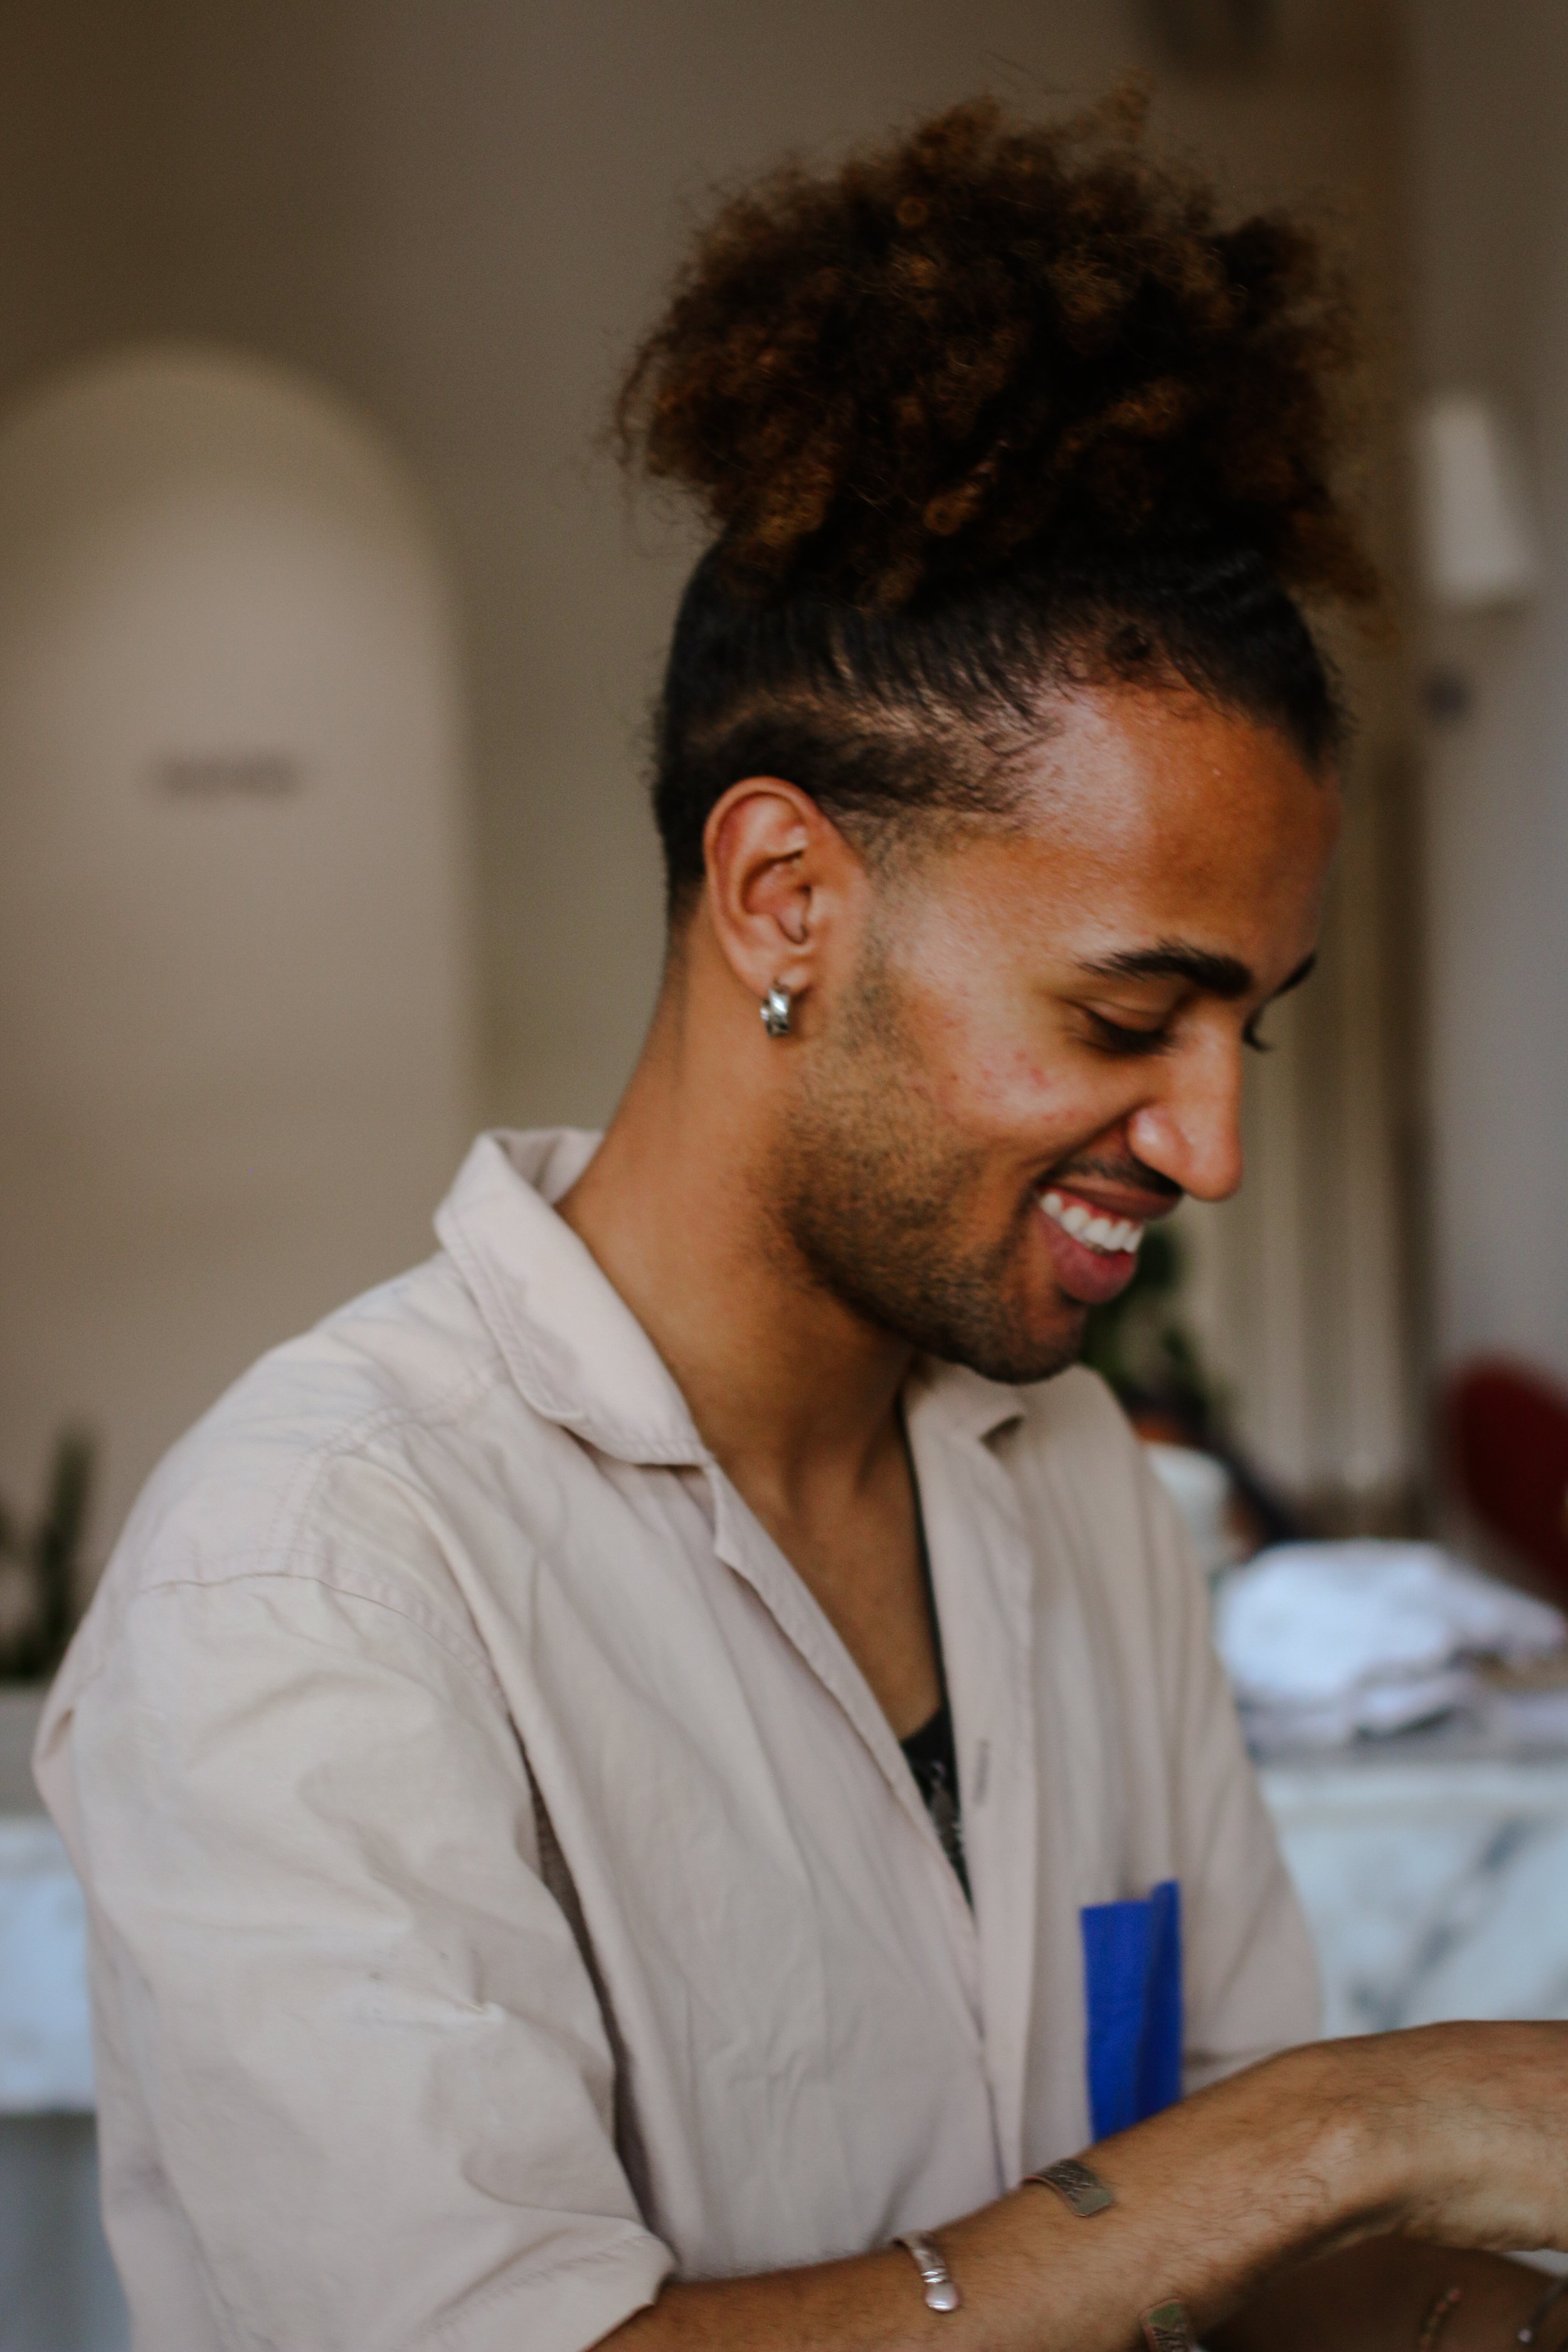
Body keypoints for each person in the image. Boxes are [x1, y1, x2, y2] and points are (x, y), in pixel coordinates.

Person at [34, 94, 1568, 2352]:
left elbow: (1237, 2264)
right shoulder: (318, 1574)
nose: (1210, 1143)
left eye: (1248, 1024)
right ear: (783, 898)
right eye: (1125, 1013)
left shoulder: (1070, 1483)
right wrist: (1348, 2127)